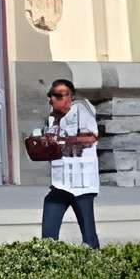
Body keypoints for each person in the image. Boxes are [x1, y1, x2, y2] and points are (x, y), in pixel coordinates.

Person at [32, 76, 100, 248]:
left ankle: (96, 264)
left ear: (70, 97)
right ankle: (49, 260)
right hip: (60, 183)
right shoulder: (51, 119)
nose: (52, 99)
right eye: (51, 95)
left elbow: (91, 137)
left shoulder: (82, 112)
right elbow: (50, 145)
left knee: (88, 235)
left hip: (82, 184)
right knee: (48, 236)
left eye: (59, 95)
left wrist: (65, 140)